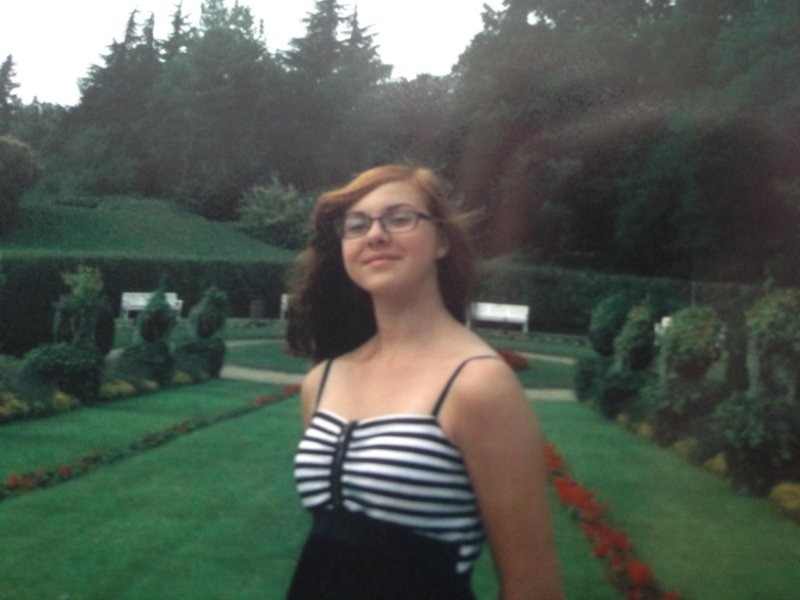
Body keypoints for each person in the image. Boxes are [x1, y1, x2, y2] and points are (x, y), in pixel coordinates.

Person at [284, 164, 563, 599]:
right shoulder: (322, 382)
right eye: (357, 225)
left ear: (442, 241)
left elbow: (533, 585)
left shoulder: (478, 383)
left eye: (399, 218)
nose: (376, 235)